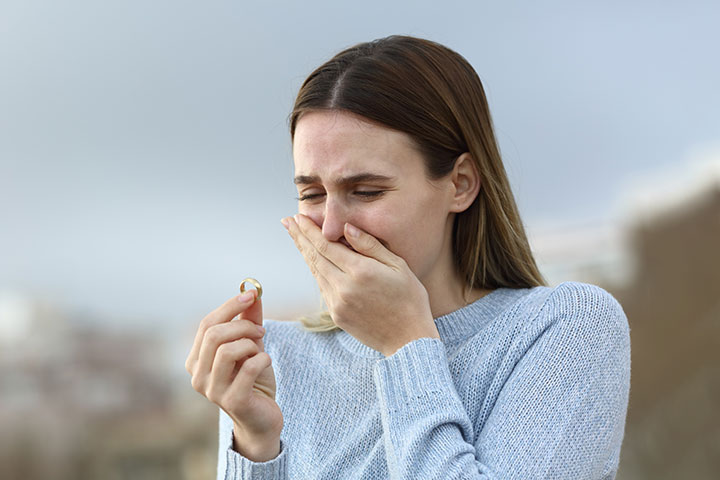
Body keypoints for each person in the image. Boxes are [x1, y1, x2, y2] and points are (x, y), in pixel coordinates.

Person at [185, 35, 631, 479]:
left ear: (460, 184)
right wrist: (256, 444)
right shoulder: (278, 359)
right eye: (312, 194)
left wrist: (406, 345)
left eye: (367, 192)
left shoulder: (567, 330)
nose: (332, 227)